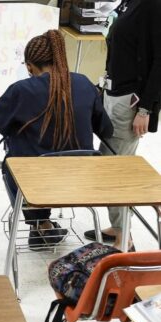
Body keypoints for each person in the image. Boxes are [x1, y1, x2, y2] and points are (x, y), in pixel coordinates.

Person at [0, 29, 113, 249]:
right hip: (80, 181)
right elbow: (107, 130)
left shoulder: (22, 90)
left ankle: (40, 224)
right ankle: (43, 226)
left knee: (17, 159)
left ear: (29, 66)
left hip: (34, 184)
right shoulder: (84, 84)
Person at [85, 0, 161, 248]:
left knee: (116, 170)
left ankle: (124, 237)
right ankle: (118, 226)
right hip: (113, 92)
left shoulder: (152, 5)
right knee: (110, 163)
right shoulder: (128, 2)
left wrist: (146, 107)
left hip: (131, 100)